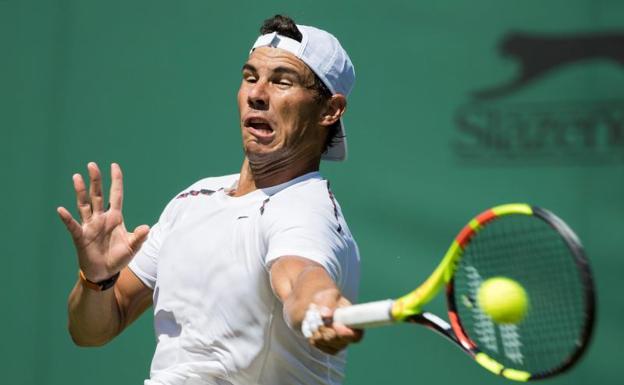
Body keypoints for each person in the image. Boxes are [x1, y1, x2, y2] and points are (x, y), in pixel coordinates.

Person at [57, 15, 362, 385]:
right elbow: (91, 331)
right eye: (250, 77)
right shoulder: (194, 199)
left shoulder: (306, 209)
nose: (257, 93)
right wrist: (98, 280)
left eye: (282, 81)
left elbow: (301, 277)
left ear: (330, 110)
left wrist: (318, 304)